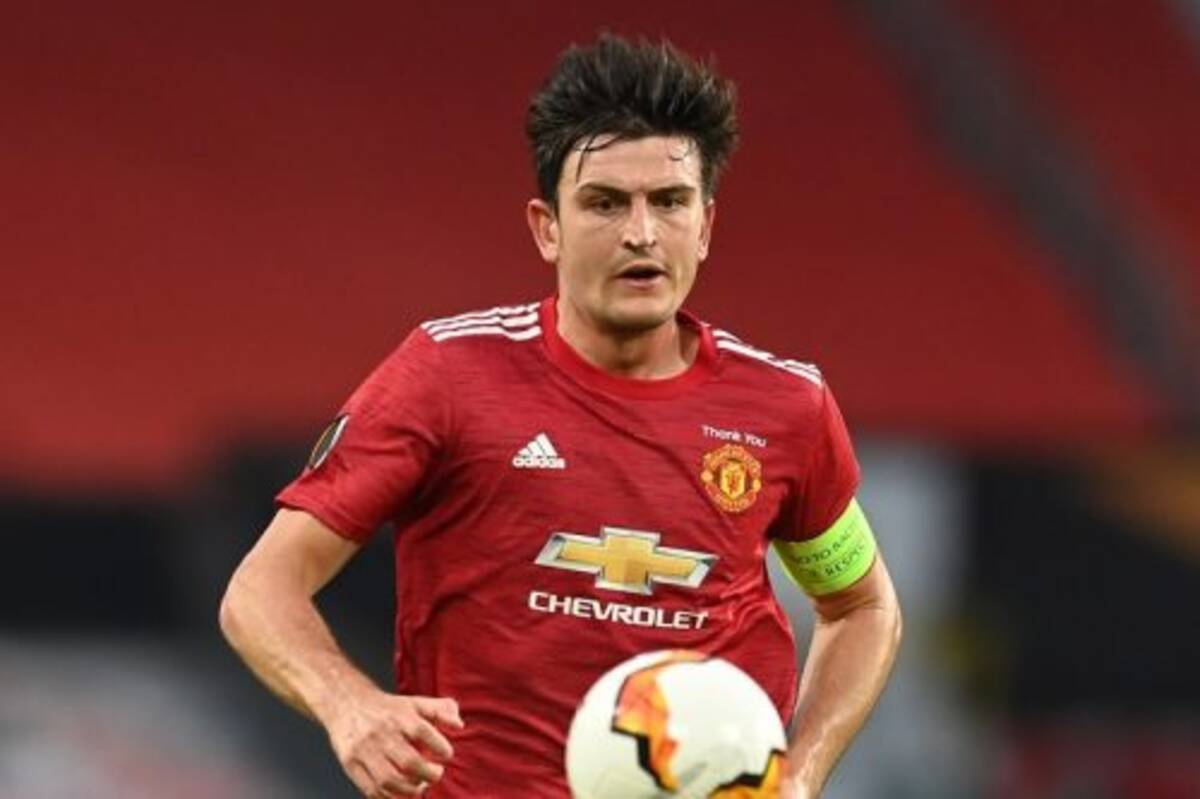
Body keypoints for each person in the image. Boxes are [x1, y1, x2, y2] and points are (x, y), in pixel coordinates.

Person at [220, 34, 901, 799]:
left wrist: (802, 772)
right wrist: (350, 706)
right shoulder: (447, 375)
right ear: (548, 227)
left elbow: (862, 603)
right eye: (605, 203)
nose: (641, 233)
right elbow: (261, 589)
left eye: (669, 202)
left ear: (706, 225)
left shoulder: (785, 408)